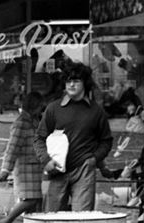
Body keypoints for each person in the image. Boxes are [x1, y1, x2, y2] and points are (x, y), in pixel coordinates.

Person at [34, 61, 113, 212]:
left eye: (76, 81)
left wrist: (94, 159)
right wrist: (46, 160)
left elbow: (106, 140)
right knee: (53, 218)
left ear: (85, 83)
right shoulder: (53, 109)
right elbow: (39, 138)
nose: (71, 85)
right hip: (56, 170)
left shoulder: (96, 111)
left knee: (82, 218)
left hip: (84, 169)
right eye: (68, 81)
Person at [0, 92, 45, 223]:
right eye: (40, 106)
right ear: (34, 106)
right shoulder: (21, 122)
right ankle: (6, 221)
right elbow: (12, 148)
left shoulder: (32, 120)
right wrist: (5, 169)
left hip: (33, 168)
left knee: (34, 205)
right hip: (25, 169)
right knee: (30, 200)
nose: (41, 109)